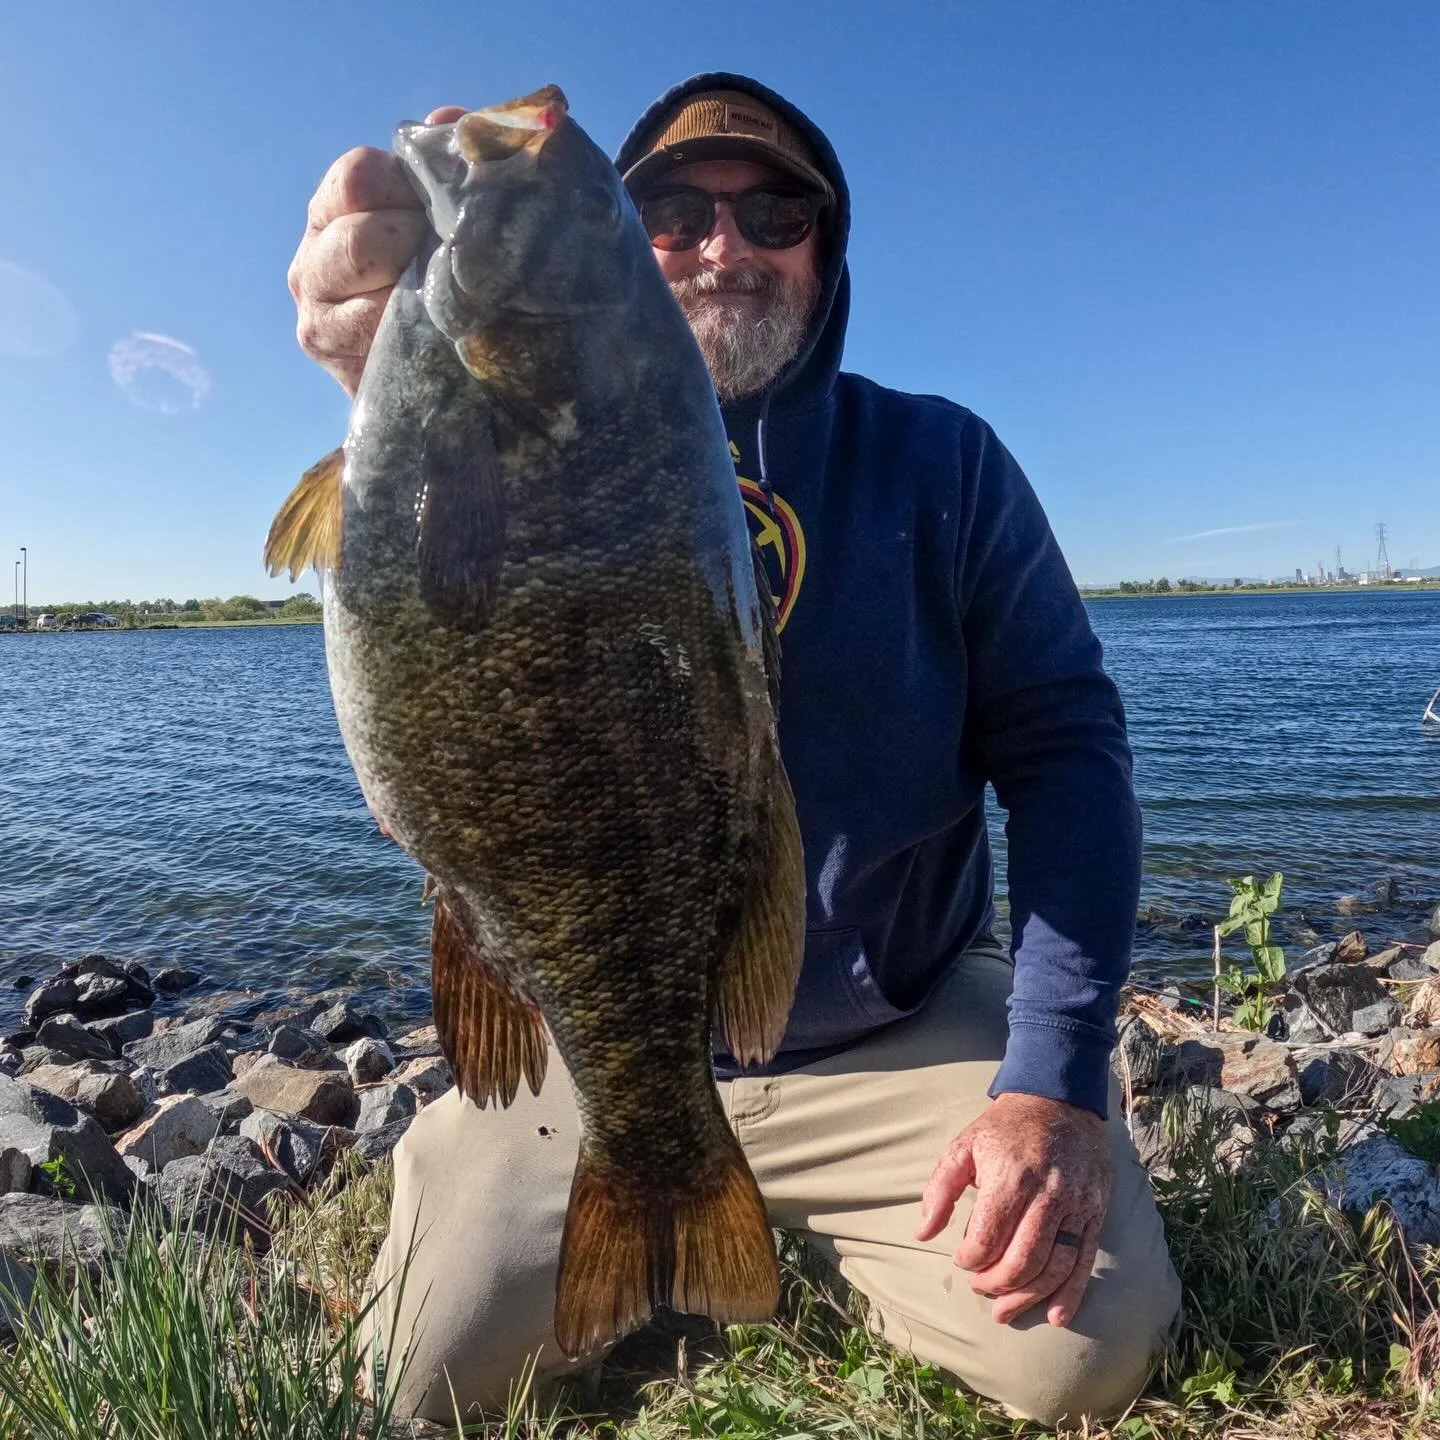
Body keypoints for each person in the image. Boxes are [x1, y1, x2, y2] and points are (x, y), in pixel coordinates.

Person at [287, 72, 1182, 1429]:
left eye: (776, 210)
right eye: (667, 212)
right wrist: (380, 360)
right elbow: (404, 603)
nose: (727, 244)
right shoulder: (454, 422)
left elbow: (1068, 753)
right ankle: (675, 1210)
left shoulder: (944, 462)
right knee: (412, 1379)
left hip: (897, 1025)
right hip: (594, 1049)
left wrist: (1053, 1077)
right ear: (633, 257)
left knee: (1083, 1354)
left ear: (828, 255)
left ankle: (763, 1235)